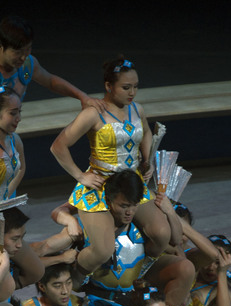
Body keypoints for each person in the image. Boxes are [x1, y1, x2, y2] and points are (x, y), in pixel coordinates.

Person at [50, 56, 181, 278]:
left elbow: (147, 132)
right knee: (102, 250)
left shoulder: (136, 109)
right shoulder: (93, 114)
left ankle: (138, 272)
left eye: (136, 87)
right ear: (108, 86)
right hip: (101, 187)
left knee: (161, 234)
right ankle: (76, 278)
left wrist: (146, 160)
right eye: (126, 87)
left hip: (131, 186)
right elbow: (58, 146)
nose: (132, 93)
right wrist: (80, 176)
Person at [0, 14, 104, 189]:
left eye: (28, 50)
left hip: (6, 142)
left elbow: (51, 81)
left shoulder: (27, 64)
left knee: (3, 200)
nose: (24, 57)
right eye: (17, 52)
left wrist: (83, 96)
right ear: (0, 47)